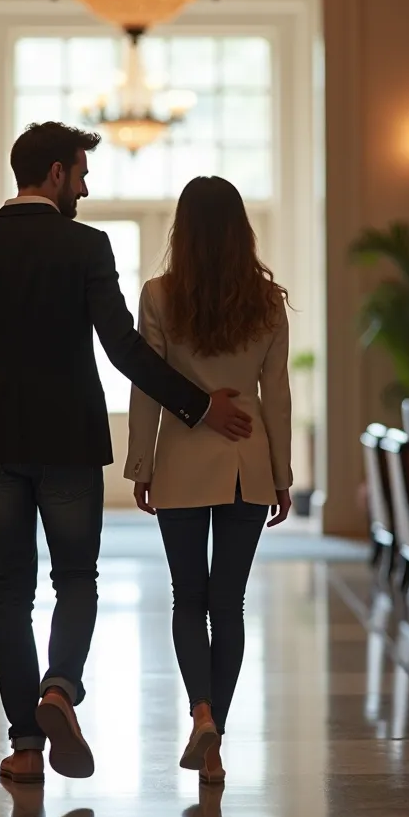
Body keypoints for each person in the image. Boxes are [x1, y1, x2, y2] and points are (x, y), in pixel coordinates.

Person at [0, 123, 253, 785]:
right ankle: (60, 689)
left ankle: (25, 746)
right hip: (70, 444)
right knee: (76, 579)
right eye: (79, 173)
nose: (85, 185)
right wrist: (199, 405)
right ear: (53, 174)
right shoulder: (85, 246)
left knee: (9, 590)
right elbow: (125, 351)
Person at [125, 175, 292, 785]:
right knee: (229, 604)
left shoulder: (160, 296)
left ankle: (200, 713)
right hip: (249, 463)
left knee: (187, 599)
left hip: (183, 463)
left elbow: (147, 387)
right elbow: (277, 398)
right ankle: (215, 736)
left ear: (183, 231)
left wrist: (141, 465)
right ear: (241, 230)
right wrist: (282, 476)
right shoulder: (267, 301)